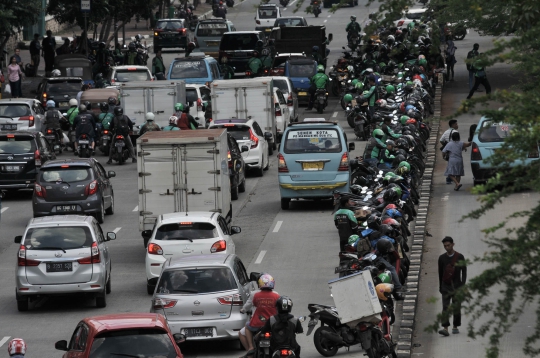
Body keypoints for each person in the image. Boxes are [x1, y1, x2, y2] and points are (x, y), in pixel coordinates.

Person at [240, 273, 280, 358]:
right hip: (273, 324)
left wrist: (243, 310)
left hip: (257, 324)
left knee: (247, 326)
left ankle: (250, 348)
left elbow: (251, 304)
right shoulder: (276, 295)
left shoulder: (256, 295)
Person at [438, 236, 466, 336]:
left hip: (457, 286)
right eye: (445, 246)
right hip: (445, 286)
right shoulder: (441, 258)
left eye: (448, 245)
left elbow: (464, 271)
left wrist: (463, 285)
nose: (447, 247)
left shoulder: (460, 257)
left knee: (456, 307)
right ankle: (445, 327)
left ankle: (455, 325)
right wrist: (440, 287)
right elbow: (440, 273)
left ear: (453, 244)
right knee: (445, 307)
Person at [440, 119, 459, 184]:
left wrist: (446, 146)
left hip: (448, 151)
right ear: (453, 125)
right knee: (452, 165)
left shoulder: (446, 132)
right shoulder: (455, 132)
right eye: (456, 124)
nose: (457, 125)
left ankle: (450, 178)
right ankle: (449, 178)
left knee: (450, 164)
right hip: (454, 151)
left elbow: (441, 140)